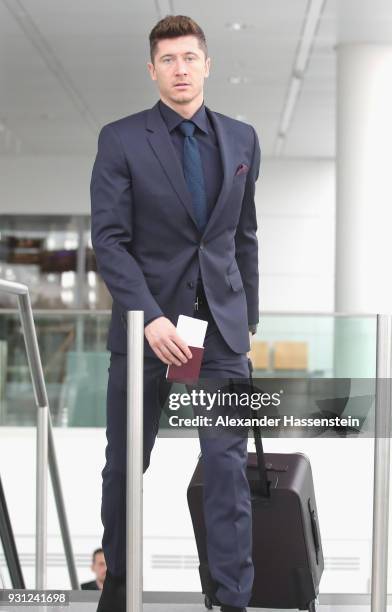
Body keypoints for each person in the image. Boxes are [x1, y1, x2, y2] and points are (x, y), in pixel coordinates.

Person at [90, 14, 261, 612]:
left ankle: (232, 598)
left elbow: (243, 237)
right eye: (168, 60)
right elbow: (109, 240)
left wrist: (248, 323)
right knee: (126, 463)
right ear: (153, 69)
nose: (180, 69)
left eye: (190, 57)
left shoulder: (241, 140)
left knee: (225, 465)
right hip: (147, 333)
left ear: (207, 63)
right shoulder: (122, 139)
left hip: (218, 332)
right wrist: (149, 317)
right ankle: (116, 589)